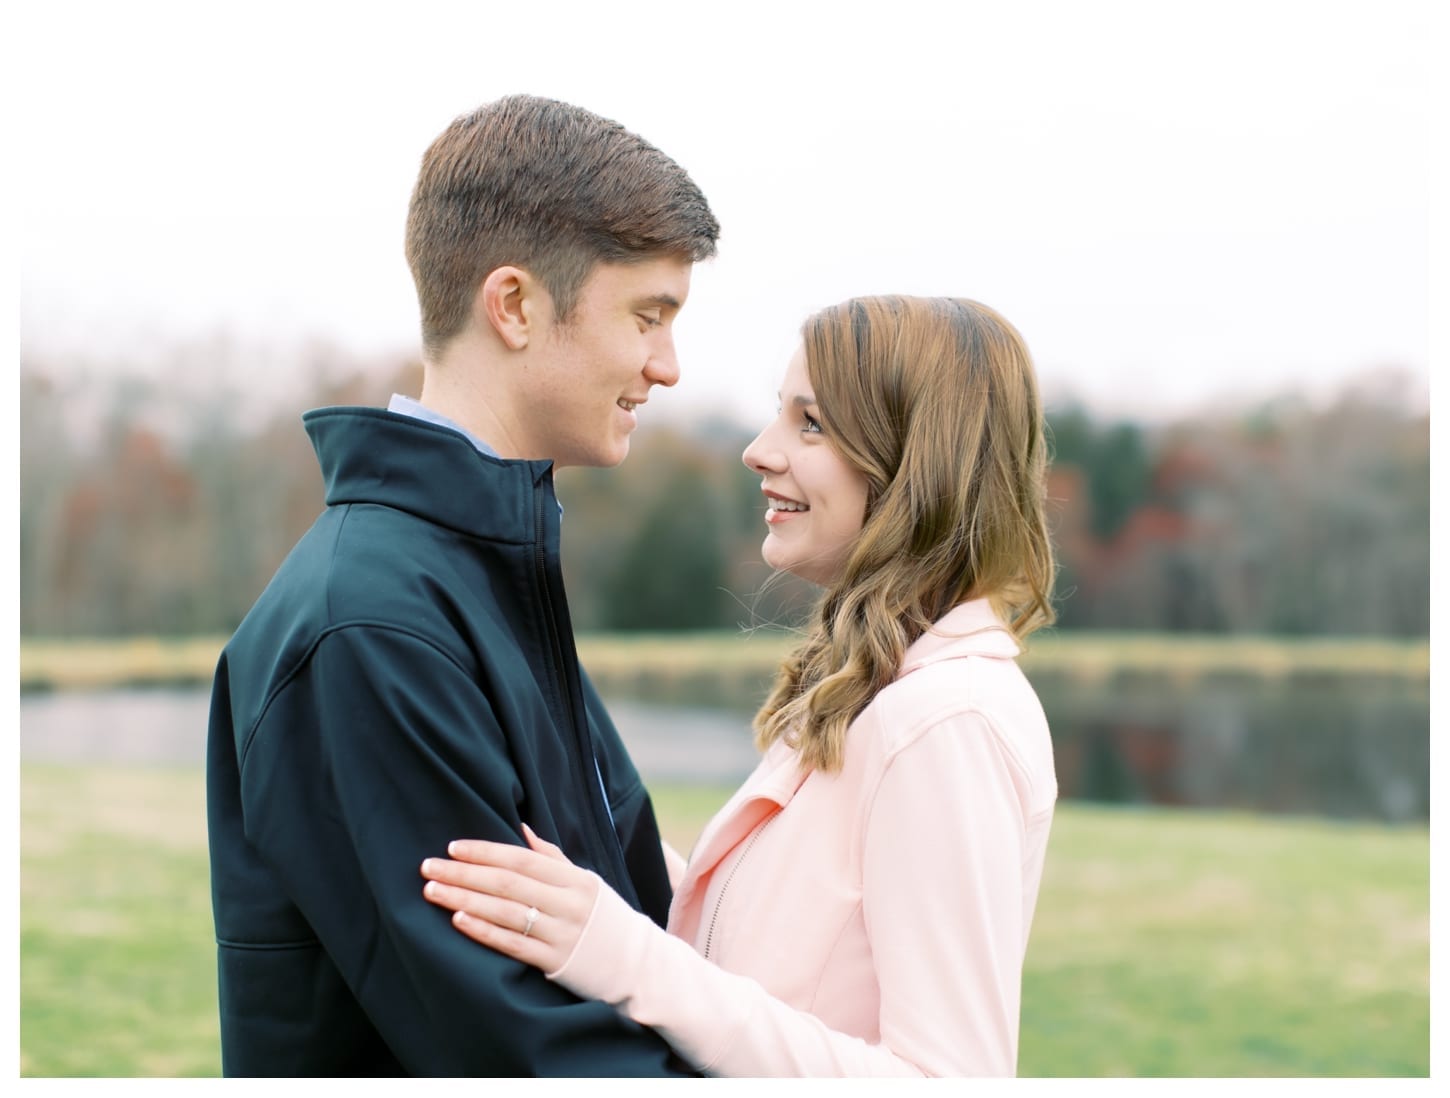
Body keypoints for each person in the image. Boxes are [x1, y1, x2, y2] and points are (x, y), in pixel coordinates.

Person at [206, 94, 719, 1076]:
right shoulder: (367, 627)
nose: (668, 366)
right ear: (516, 305)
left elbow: (638, 939)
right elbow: (529, 1056)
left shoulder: (480, 579)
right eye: (647, 317)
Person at [419, 294, 1060, 1077]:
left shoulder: (947, 722)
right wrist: (596, 856)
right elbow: (793, 963)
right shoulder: (877, 690)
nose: (759, 450)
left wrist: (622, 955)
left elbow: (942, 1083)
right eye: (777, 416)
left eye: (811, 424)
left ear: (915, 461)